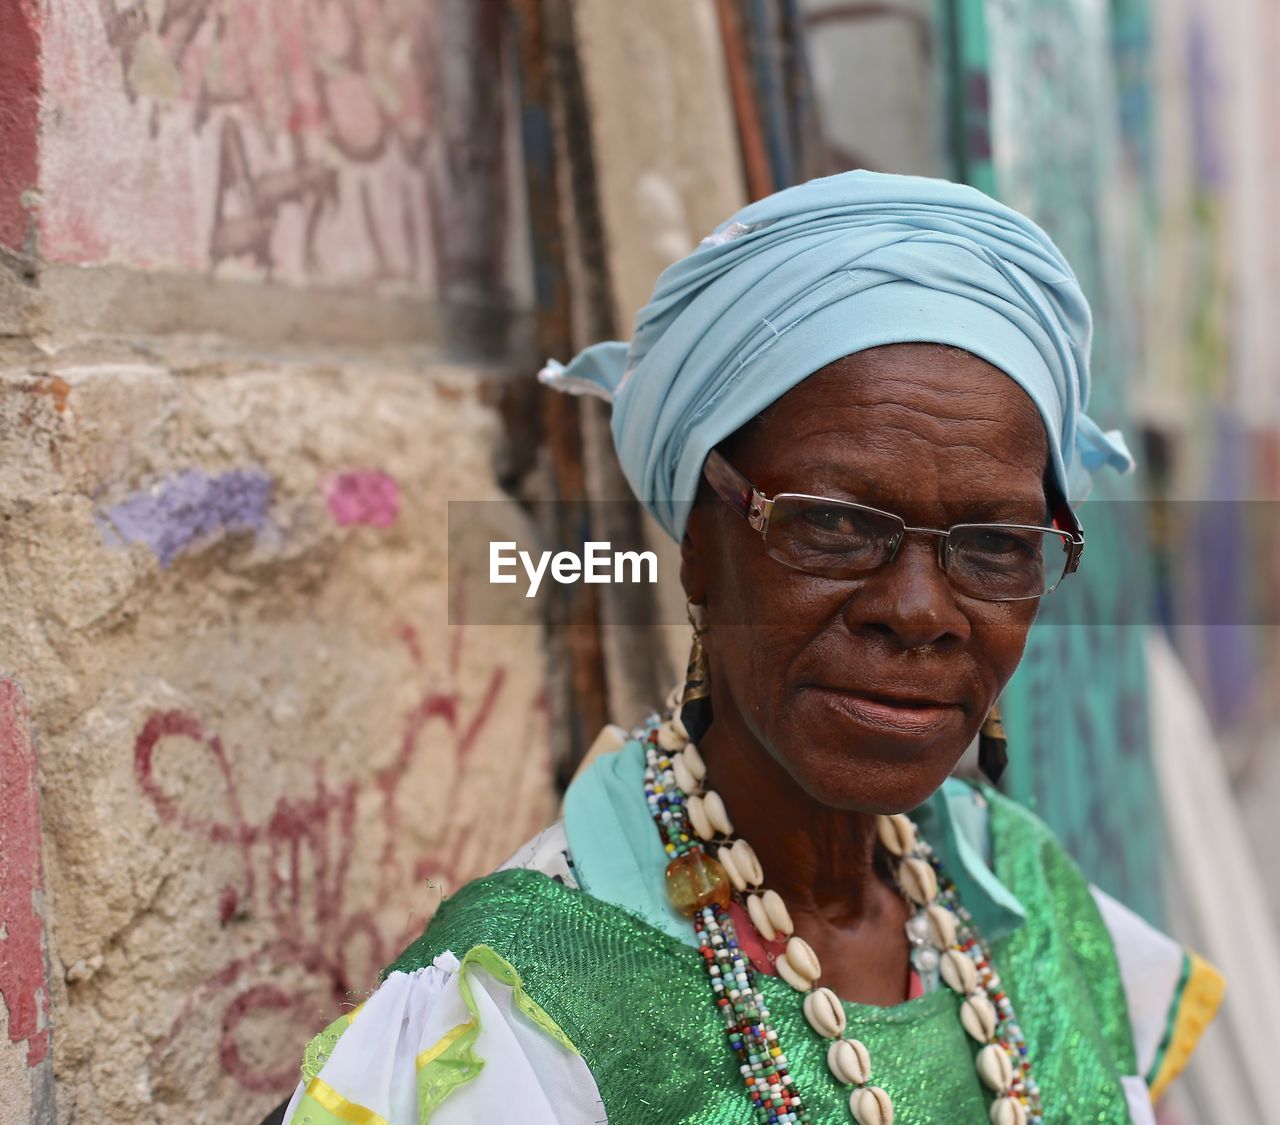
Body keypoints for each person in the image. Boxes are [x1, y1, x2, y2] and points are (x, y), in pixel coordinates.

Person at [275, 172, 1222, 1124]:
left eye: (994, 546)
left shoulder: (1026, 898)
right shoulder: (540, 995)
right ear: (699, 542)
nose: (920, 610)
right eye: (835, 527)